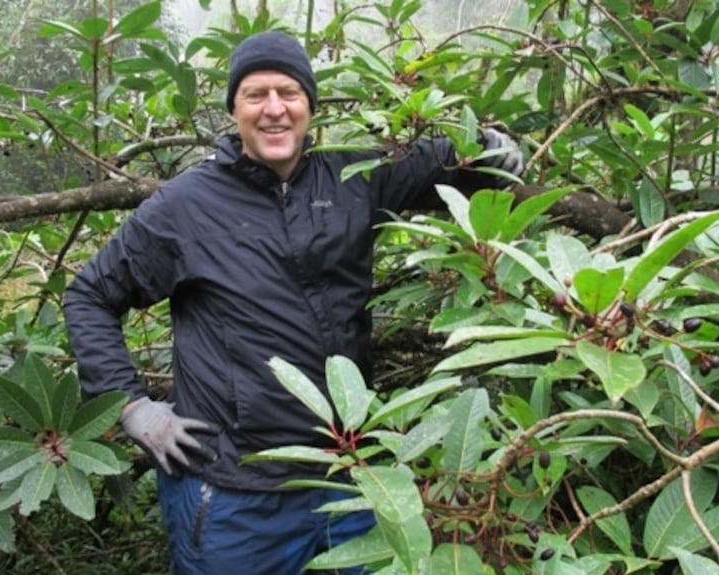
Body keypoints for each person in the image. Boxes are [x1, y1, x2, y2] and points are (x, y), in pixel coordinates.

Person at [62, 29, 524, 575]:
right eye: (255, 95)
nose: (274, 109)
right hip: (233, 494)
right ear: (234, 109)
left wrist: (487, 148)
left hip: (347, 477)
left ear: (310, 104)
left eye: (289, 92)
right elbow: (90, 295)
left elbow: (440, 162)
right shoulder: (184, 206)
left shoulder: (352, 177)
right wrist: (131, 406)